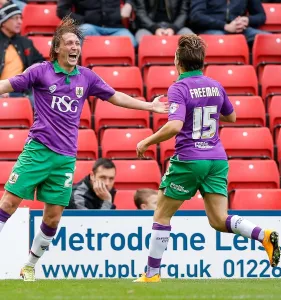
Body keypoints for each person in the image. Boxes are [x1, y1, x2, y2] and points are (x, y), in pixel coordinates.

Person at [0, 15, 168, 282]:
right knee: (8, 203)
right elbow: (7, 85)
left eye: (77, 43)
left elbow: (116, 97)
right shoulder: (40, 71)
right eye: (69, 42)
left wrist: (150, 106)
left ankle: (30, 265)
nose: (75, 47)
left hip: (65, 159)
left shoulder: (86, 77)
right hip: (37, 151)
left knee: (53, 218)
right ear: (57, 48)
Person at [134, 34, 280, 283]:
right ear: (201, 62)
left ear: (178, 60)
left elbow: (174, 125)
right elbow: (231, 117)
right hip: (217, 159)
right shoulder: (215, 85)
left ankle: (151, 274)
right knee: (218, 220)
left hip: (190, 158)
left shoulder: (178, 87)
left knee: (161, 214)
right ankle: (262, 235)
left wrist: (146, 141)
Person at [0, 2, 44, 104]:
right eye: (15, 18)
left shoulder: (26, 43)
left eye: (20, 18)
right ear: (3, 21)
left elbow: (40, 64)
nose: (19, 22)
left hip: (22, 93)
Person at [56, 0, 137, 47]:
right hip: (89, 27)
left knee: (131, 42)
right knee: (84, 31)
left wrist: (129, 3)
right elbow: (62, 10)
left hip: (116, 28)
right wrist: (83, 20)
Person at [189, 0, 270, 45]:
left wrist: (247, 20)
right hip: (213, 28)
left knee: (268, 39)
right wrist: (225, 26)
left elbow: (261, 16)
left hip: (240, 29)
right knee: (221, 41)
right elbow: (196, 16)